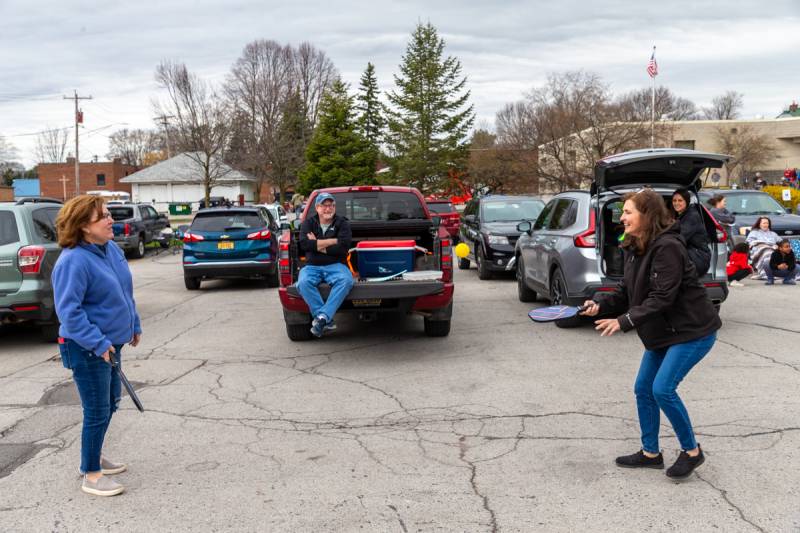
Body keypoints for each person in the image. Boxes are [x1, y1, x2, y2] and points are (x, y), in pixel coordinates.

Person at [581, 189, 721, 480]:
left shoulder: (668, 247)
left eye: (628, 211)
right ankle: (650, 453)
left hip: (692, 330)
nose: (622, 217)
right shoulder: (635, 244)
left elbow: (662, 297)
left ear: (647, 215)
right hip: (663, 332)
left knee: (662, 389)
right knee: (644, 389)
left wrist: (624, 321)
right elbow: (625, 290)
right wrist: (599, 305)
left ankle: (692, 452)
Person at [52, 195, 142, 497]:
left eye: (108, 214)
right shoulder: (72, 261)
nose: (110, 219)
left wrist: (134, 324)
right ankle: (91, 474)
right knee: (96, 410)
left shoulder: (110, 249)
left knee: (110, 404)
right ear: (83, 227)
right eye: (102, 216)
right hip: (87, 348)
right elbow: (69, 312)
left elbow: (124, 292)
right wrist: (98, 342)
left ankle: (93, 455)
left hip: (111, 345)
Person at [296, 192, 354, 337]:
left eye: (331, 205)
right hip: (312, 266)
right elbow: (304, 244)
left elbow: (343, 247)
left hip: (336, 265)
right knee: (302, 283)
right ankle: (325, 319)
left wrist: (316, 244)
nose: (328, 209)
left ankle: (322, 318)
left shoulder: (342, 223)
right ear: (317, 207)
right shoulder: (308, 223)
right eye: (324, 205)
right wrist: (333, 241)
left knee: (346, 281)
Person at [671, 188, 710, 276]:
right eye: (674, 200)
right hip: (692, 256)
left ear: (687, 201)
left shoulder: (692, 217)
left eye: (680, 200)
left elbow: (679, 238)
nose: (676, 203)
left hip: (698, 258)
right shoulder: (683, 216)